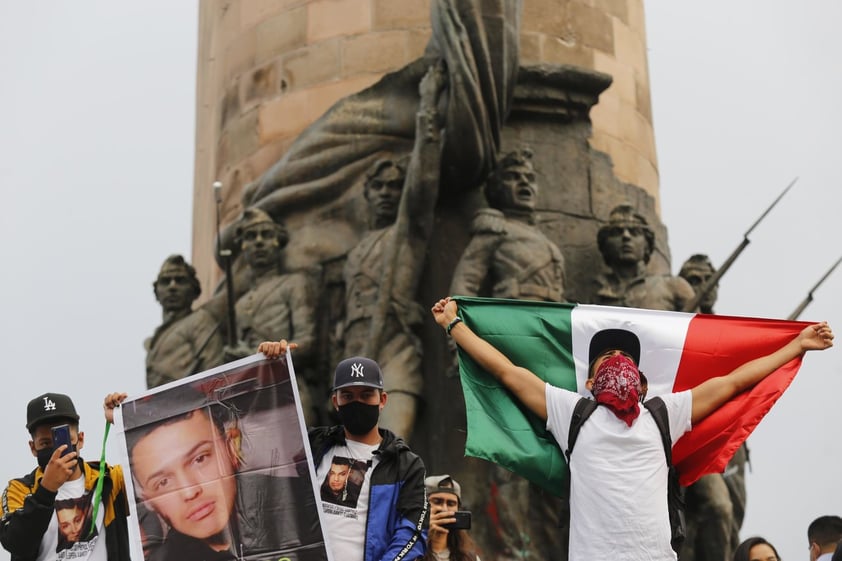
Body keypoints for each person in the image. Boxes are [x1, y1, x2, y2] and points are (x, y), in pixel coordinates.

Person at [431, 296, 834, 561]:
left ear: (641, 382)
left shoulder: (664, 413)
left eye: (626, 356)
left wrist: (795, 346)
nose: (617, 359)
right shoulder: (571, 412)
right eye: (606, 357)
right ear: (589, 382)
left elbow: (733, 382)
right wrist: (454, 326)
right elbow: (507, 371)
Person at [340, 62, 446, 441]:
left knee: (391, 448)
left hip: (396, 349)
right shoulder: (355, 253)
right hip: (355, 349)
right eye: (379, 187)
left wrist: (428, 108)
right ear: (367, 195)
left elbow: (423, 180)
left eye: (393, 187)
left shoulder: (407, 232)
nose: (387, 193)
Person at [259, 341, 428, 561]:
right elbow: (262, 440)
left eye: (366, 395)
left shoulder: (406, 465)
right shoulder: (312, 446)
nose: (357, 402)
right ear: (335, 402)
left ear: (382, 400)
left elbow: (412, 532)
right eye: (348, 396)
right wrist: (268, 370)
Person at [120, 392, 325, 561]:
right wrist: (119, 414)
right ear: (148, 501)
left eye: (200, 459)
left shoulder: (302, 502)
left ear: (231, 448)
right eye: (163, 482)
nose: (190, 491)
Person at [0, 392, 131, 560]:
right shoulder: (18, 490)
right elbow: (15, 543)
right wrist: (46, 490)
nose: (56, 450)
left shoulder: (110, 479)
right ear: (33, 448)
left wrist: (127, 420)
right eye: (46, 443)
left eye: (64, 441)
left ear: (80, 439)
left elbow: (159, 470)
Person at [679, 253, 748, 561]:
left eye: (708, 280)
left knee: (733, 517)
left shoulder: (727, 330)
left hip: (731, 434)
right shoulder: (676, 330)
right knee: (717, 507)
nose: (703, 286)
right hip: (693, 432)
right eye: (694, 280)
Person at [224, 208, 320, 423]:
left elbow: (307, 343)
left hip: (286, 388)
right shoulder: (238, 305)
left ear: (279, 241)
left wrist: (262, 355)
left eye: (266, 235)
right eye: (251, 237)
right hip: (249, 397)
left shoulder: (294, 284)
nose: (259, 242)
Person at [450, 146, 566, 302]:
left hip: (551, 317)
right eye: (513, 177)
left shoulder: (546, 241)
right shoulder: (495, 227)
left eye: (530, 178)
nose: (524, 182)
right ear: (497, 188)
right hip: (516, 314)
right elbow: (466, 280)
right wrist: (458, 321)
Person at [591, 204, 696, 310]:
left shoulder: (673, 287)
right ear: (605, 246)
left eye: (635, 232)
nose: (626, 236)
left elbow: (700, 325)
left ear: (647, 245)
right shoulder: (593, 290)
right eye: (616, 232)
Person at [145, 255, 225, 388]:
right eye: (166, 281)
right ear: (157, 292)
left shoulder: (200, 321)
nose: (172, 286)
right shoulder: (156, 337)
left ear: (194, 290)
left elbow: (214, 371)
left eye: (180, 280)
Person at [424, 475, 480, 561]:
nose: (444, 509)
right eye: (437, 502)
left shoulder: (469, 558)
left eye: (451, 504)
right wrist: (423, 536)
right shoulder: (406, 549)